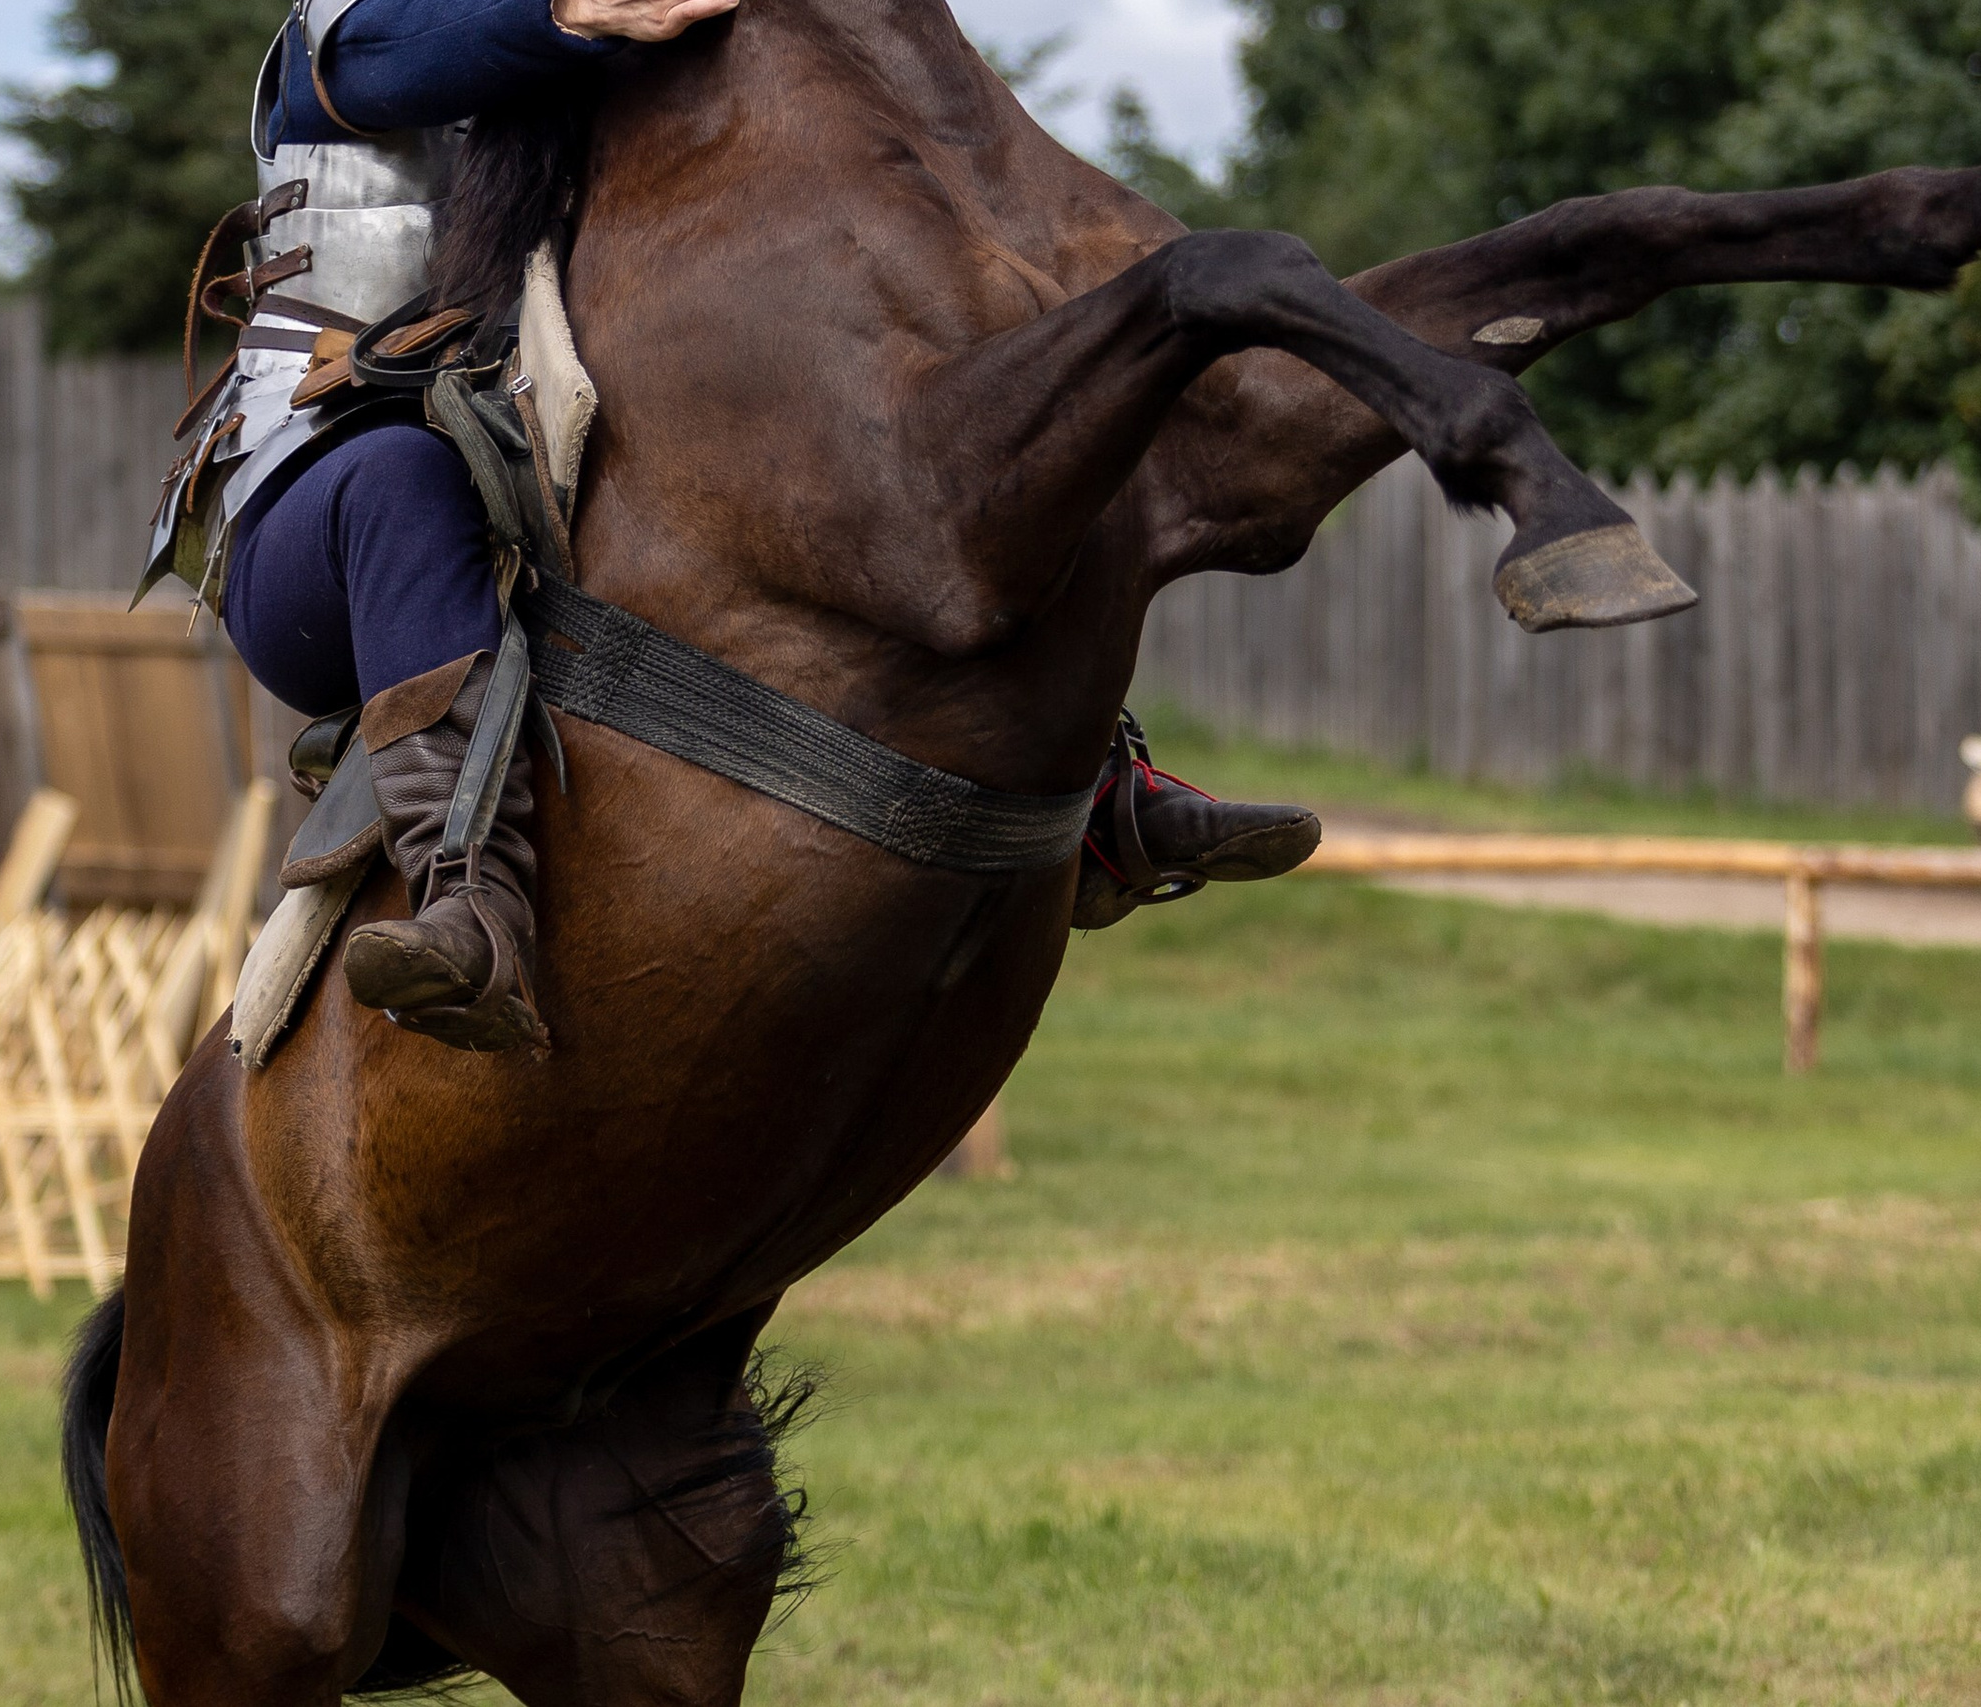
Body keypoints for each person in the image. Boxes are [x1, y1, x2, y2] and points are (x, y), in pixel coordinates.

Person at [164, 0, 1320, 1055]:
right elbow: (393, 60)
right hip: (313, 519)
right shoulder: (342, 33)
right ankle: (465, 906)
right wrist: (570, 11)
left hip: (536, 470)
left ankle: (1096, 794)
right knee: (402, 479)